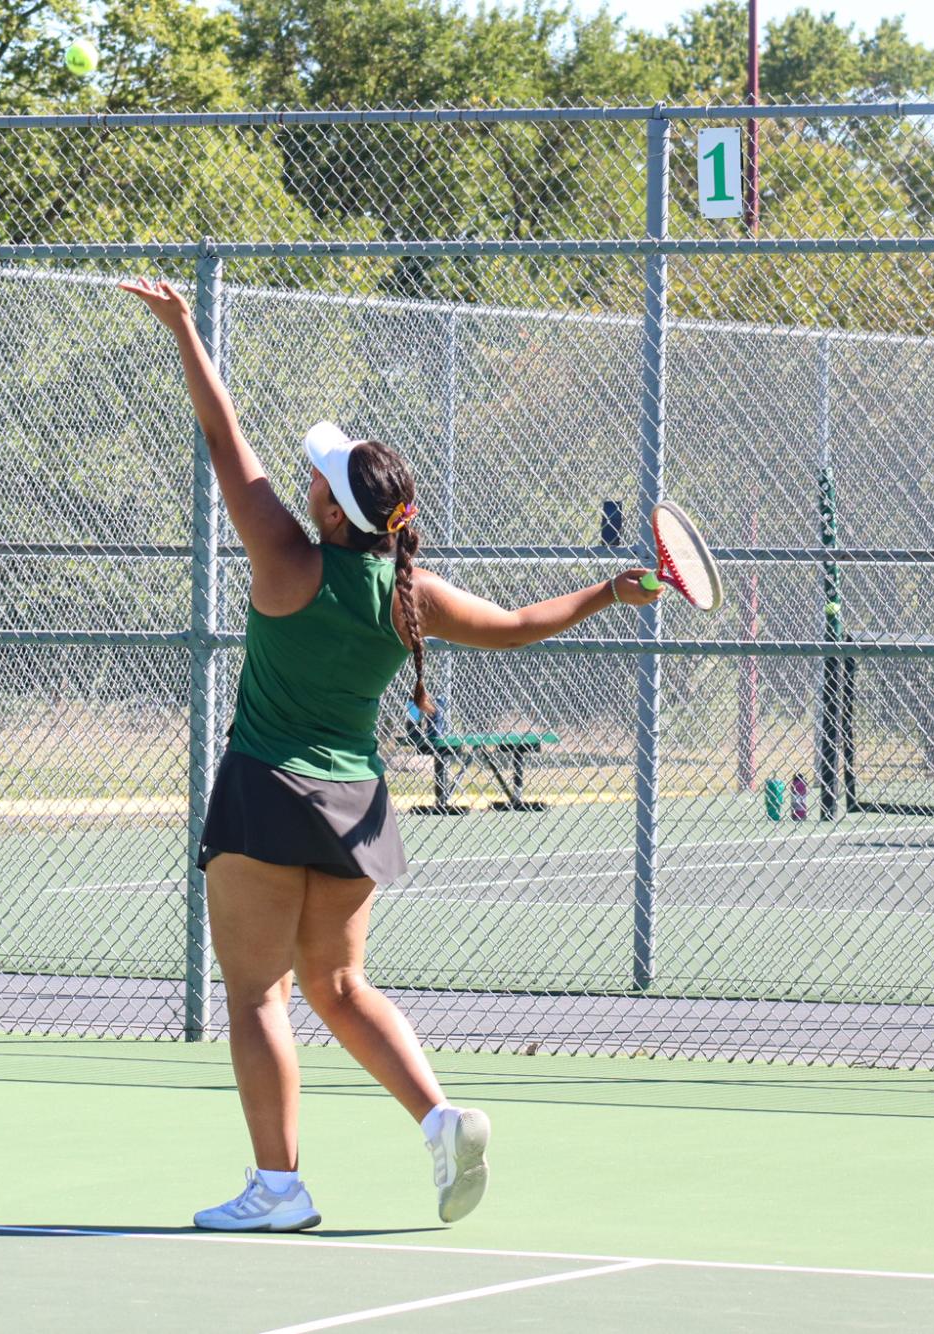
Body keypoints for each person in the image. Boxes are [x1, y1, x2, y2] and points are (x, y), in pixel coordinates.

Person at [120, 277, 664, 1232]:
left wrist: (183, 332)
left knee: (255, 997)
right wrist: (605, 594)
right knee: (336, 986)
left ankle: (278, 1192)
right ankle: (440, 1117)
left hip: (264, 791)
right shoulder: (410, 594)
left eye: (319, 477)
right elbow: (513, 626)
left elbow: (222, 439)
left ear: (332, 512)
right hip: (355, 807)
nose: (307, 478)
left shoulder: (286, 558)